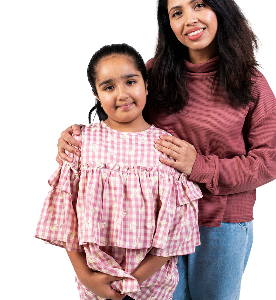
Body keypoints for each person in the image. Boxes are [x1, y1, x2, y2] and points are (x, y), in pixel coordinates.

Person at [56, 0, 276, 300]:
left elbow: (268, 162)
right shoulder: (153, 73)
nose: (189, 20)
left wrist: (201, 166)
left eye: (199, 5)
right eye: (176, 13)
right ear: (168, 24)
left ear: (219, 8)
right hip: (154, 224)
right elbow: (122, 119)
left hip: (220, 226)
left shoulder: (250, 83)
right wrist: (78, 135)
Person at [34, 43, 202, 300]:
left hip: (152, 286)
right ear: (97, 95)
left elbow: (176, 231)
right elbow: (67, 222)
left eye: (130, 82)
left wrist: (133, 281)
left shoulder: (168, 148)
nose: (122, 94)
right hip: (95, 284)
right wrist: (89, 279)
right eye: (109, 87)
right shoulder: (81, 144)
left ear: (146, 85)